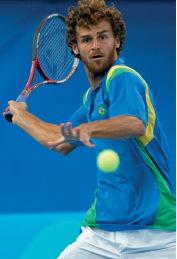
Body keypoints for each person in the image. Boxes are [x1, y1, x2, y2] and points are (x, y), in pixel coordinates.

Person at [3, 0, 176, 258]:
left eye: (103, 37)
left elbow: (133, 123)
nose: (95, 46)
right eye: (86, 40)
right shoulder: (91, 98)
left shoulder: (123, 76)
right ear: (75, 47)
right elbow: (59, 142)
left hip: (156, 235)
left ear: (117, 41)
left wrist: (90, 128)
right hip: (100, 236)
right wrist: (22, 117)